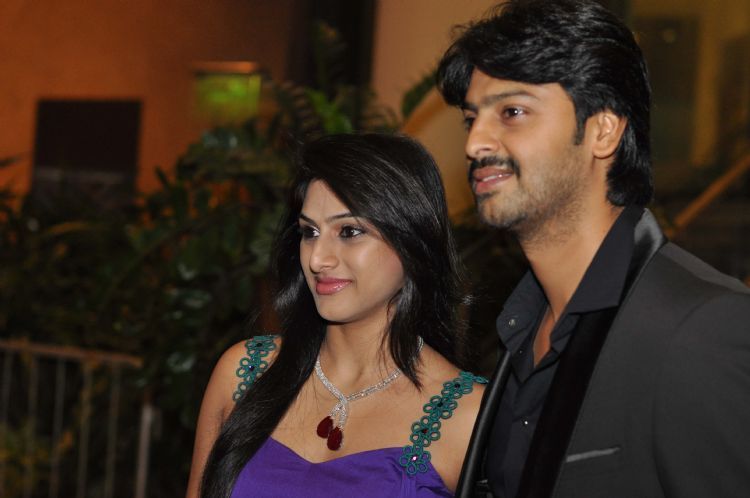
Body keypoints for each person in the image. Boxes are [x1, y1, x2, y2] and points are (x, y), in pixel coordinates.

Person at [435, 1, 750, 497]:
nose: (475, 143)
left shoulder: (699, 328)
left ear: (603, 131)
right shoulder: (520, 325)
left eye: (512, 112)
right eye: (471, 119)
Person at [185, 132, 487, 498]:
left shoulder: (469, 415)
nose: (317, 258)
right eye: (310, 232)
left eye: (349, 231)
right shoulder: (244, 373)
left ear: (412, 241)